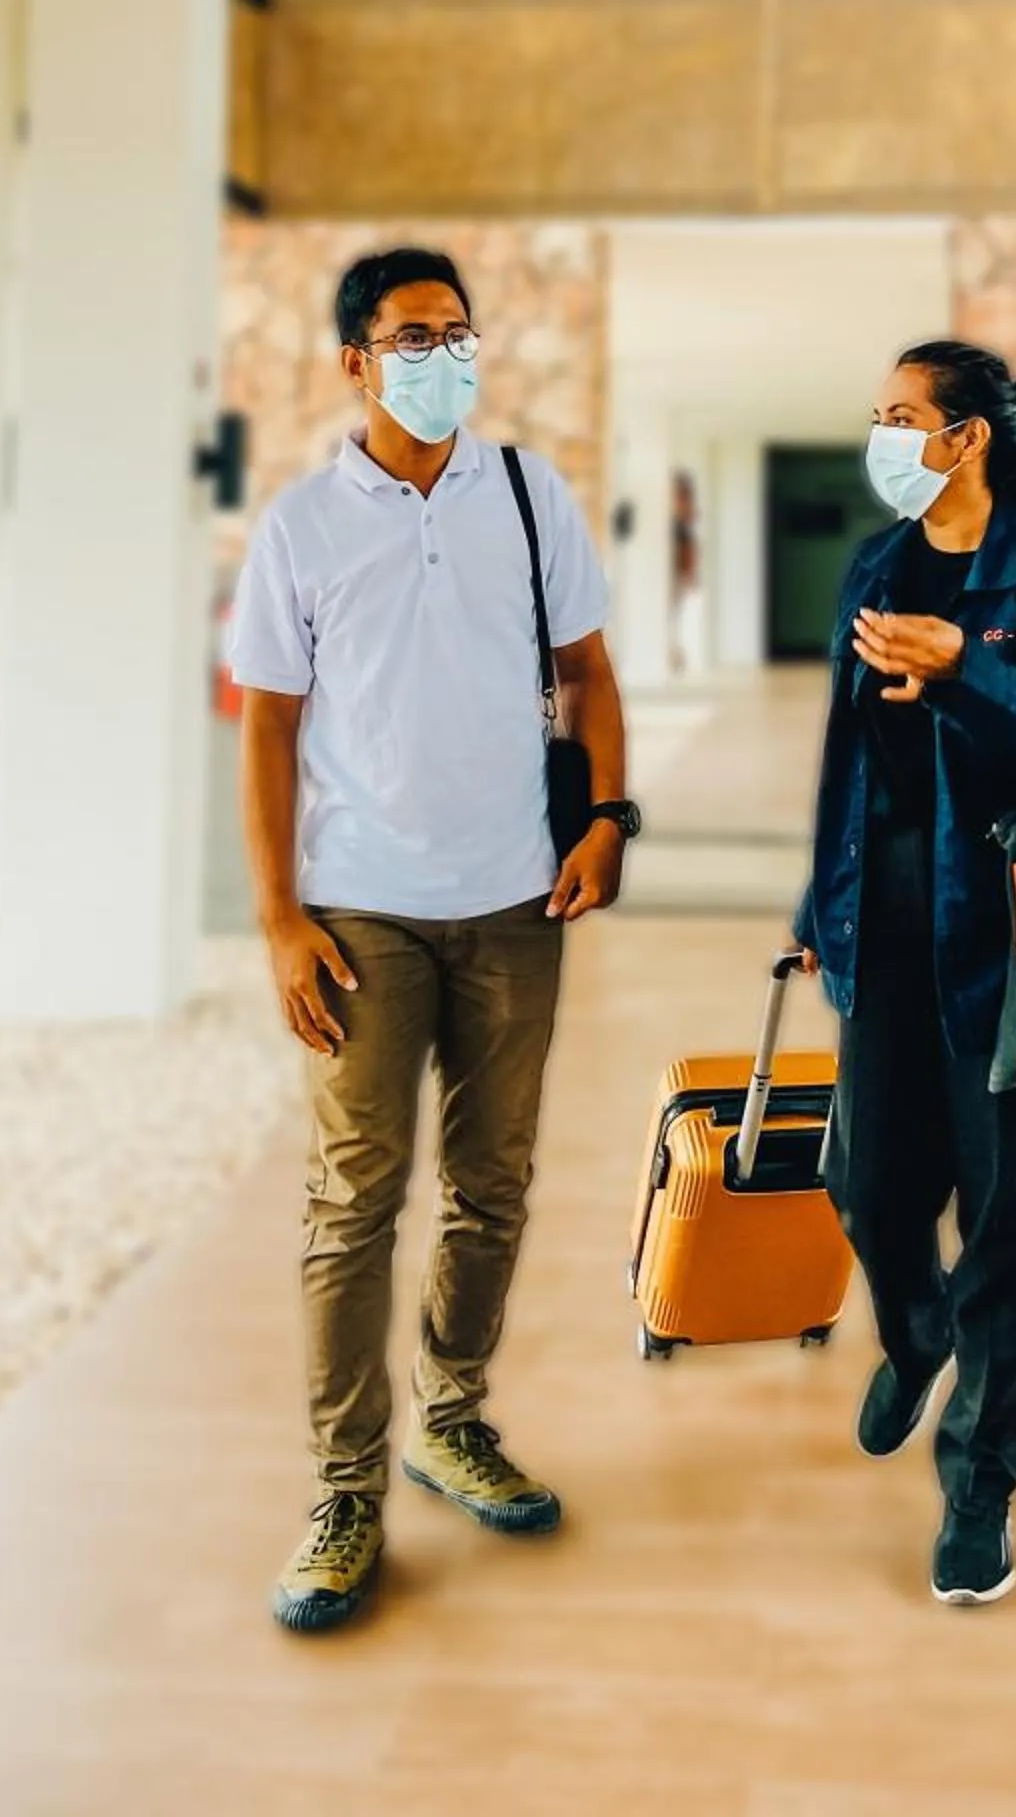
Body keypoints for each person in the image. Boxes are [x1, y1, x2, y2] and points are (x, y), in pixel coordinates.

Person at [230, 246, 641, 1635]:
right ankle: (345, 1487)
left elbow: (585, 674)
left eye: (457, 334)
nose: (440, 356)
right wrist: (281, 917)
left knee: (493, 1181)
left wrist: (605, 825)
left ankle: (450, 1416)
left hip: (519, 899)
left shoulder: (527, 497)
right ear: (355, 360)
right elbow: (270, 727)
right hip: (360, 911)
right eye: (412, 336)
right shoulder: (298, 527)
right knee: (354, 1200)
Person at [793, 339, 1016, 1609]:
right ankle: (913, 1330)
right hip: (884, 934)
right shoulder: (877, 565)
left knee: (1004, 1231)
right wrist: (821, 897)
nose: (883, 436)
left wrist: (965, 668)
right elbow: (848, 751)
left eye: (901, 416)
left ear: (967, 437)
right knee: (866, 1188)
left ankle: (979, 1483)